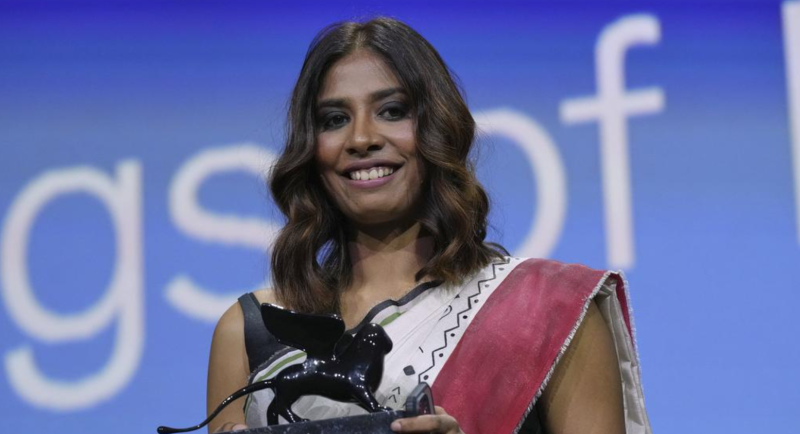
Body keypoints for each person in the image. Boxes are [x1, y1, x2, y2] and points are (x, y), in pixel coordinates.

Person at [206, 17, 651, 434]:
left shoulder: (547, 309)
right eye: (334, 120)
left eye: (393, 111)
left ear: (438, 129)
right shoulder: (250, 332)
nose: (361, 139)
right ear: (311, 148)